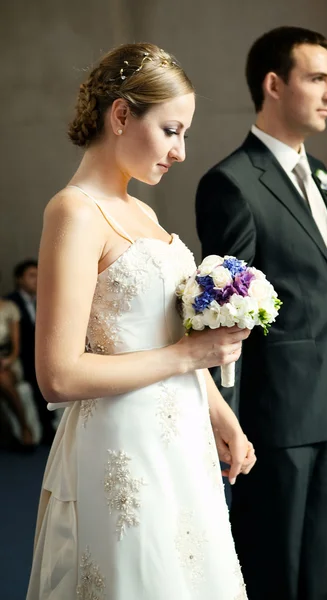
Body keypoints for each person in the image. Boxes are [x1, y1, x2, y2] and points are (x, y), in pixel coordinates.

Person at [27, 43, 256, 599]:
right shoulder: (75, 211)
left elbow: (165, 338)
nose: (181, 151)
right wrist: (187, 356)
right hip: (122, 446)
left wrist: (220, 413)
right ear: (122, 115)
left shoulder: (145, 212)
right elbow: (57, 375)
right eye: (172, 130)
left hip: (181, 441)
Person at [195, 26, 327, 600]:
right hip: (275, 417)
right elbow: (226, 316)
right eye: (318, 78)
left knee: (321, 567)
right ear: (274, 85)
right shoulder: (231, 183)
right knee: (273, 568)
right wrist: (228, 419)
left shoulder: (321, 175)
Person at [7, 260, 55, 444]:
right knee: (38, 377)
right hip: (23, 358)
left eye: (38, 275)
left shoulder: (46, 300)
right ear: (19, 279)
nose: (36, 280)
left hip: (44, 356)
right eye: (31, 276)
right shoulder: (10, 303)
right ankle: (44, 429)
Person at [0, 298, 35, 447]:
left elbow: (16, 346)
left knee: (2, 380)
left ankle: (24, 427)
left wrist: (7, 360)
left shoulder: (9, 308)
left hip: (8, 361)